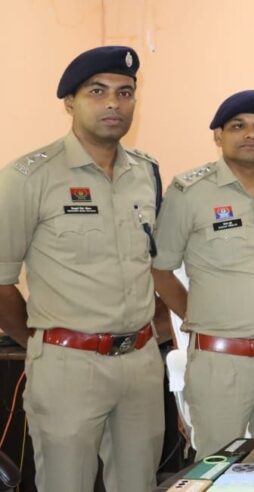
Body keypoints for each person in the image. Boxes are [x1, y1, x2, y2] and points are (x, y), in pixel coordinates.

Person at [0, 46, 165, 491]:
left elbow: (151, 263)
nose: (113, 103)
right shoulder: (27, 177)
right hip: (67, 365)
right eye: (98, 91)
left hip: (140, 363)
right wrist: (41, 342)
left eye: (125, 92)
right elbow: (0, 282)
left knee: (139, 484)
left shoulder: (146, 172)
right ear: (70, 102)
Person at [151, 90, 254, 458]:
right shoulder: (189, 192)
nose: (251, 134)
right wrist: (203, 318)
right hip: (222, 361)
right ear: (218, 136)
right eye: (238, 126)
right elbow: (159, 270)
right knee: (218, 466)